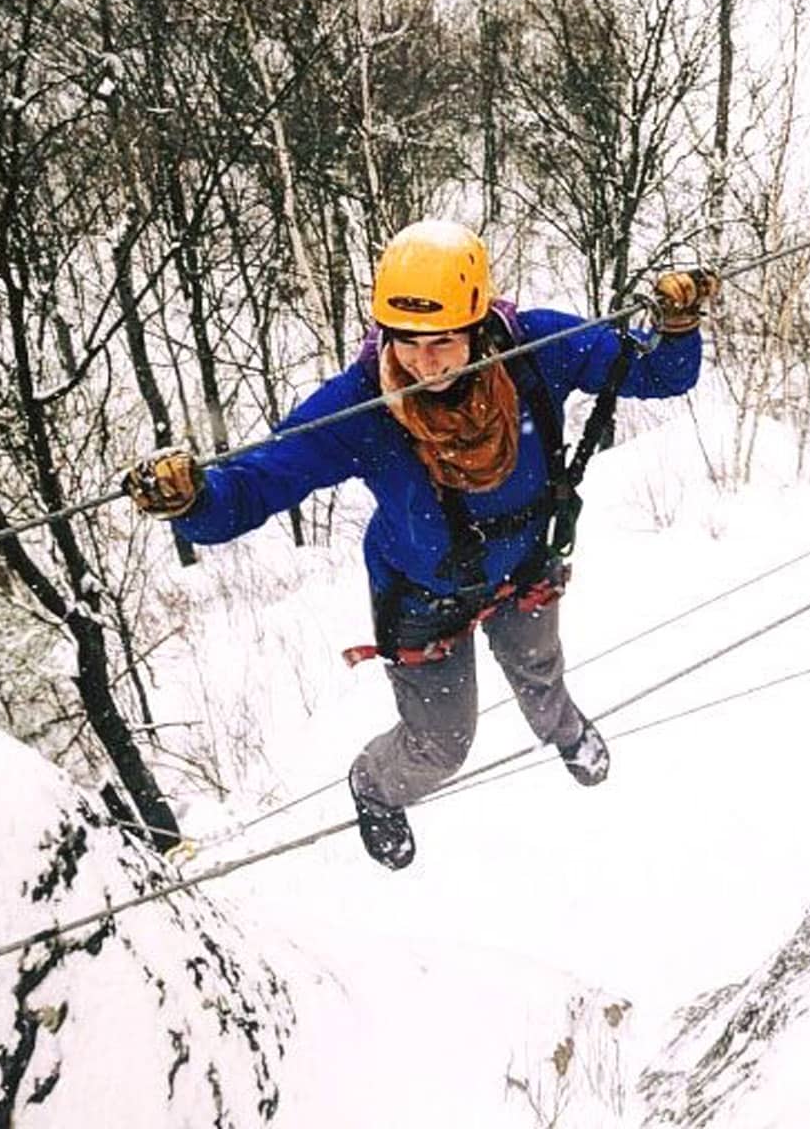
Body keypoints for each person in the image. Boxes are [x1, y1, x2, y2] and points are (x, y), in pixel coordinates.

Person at [124, 219, 717, 869]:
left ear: (478, 326)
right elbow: (256, 486)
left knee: (540, 669)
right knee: (442, 744)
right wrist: (193, 500)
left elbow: (657, 374)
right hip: (424, 598)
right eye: (405, 342)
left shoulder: (536, 352)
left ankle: (564, 731)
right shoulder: (364, 407)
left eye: (441, 342)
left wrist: (678, 326)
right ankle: (375, 786)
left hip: (524, 567)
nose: (423, 364)